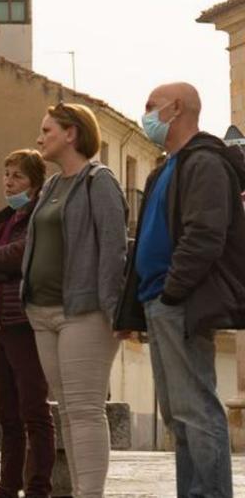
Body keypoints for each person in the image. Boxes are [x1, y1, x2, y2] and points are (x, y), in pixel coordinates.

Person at [116, 83, 242, 498]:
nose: (146, 115)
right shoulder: (165, 168)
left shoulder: (204, 162)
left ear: (177, 108)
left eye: (151, 106)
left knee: (197, 409)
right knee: (178, 413)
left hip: (180, 302)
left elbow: (204, 234)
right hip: (159, 301)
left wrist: (172, 292)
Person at [23, 102, 127, 498]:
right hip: (42, 312)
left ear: (72, 134)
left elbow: (114, 248)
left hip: (84, 311)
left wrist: (113, 309)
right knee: (66, 407)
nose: (39, 138)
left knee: (85, 408)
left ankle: (90, 494)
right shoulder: (50, 185)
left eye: (47, 130)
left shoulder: (99, 181)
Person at [0, 150, 53, 498]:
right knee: (7, 411)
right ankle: (8, 485)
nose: (9, 181)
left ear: (34, 183)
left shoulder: (38, 217)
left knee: (33, 408)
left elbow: (22, 257)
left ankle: (38, 487)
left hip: (21, 322)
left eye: (17, 176)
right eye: (6, 174)